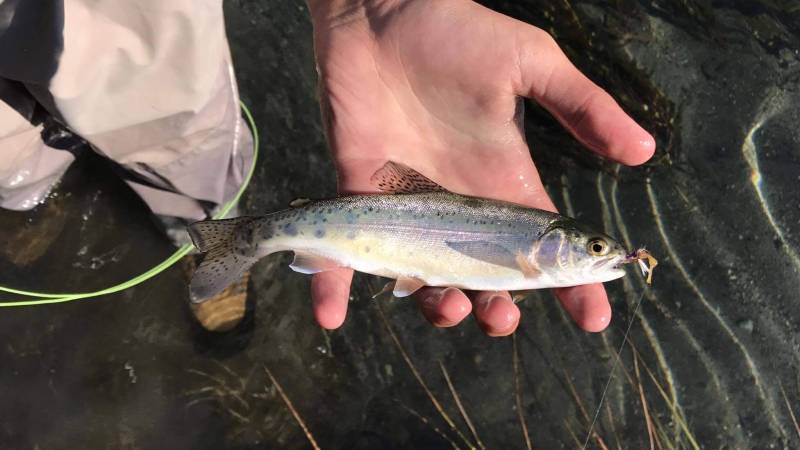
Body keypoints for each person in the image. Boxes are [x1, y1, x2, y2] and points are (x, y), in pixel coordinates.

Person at [0, 0, 654, 335]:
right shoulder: (531, 246)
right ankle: (32, 190)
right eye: (594, 247)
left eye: (598, 248)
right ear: (559, 246)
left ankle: (209, 234)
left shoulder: (532, 248)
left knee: (163, 124)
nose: (605, 253)